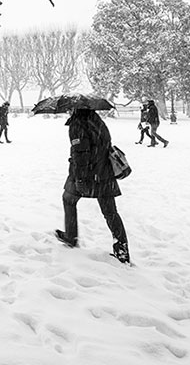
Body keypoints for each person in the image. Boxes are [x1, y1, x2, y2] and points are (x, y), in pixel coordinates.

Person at [55, 108, 130, 263]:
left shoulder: (77, 124)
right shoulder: (97, 120)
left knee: (68, 199)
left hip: (88, 174)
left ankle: (71, 236)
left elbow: (81, 154)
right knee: (110, 212)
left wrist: (80, 179)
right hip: (104, 172)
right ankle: (122, 250)